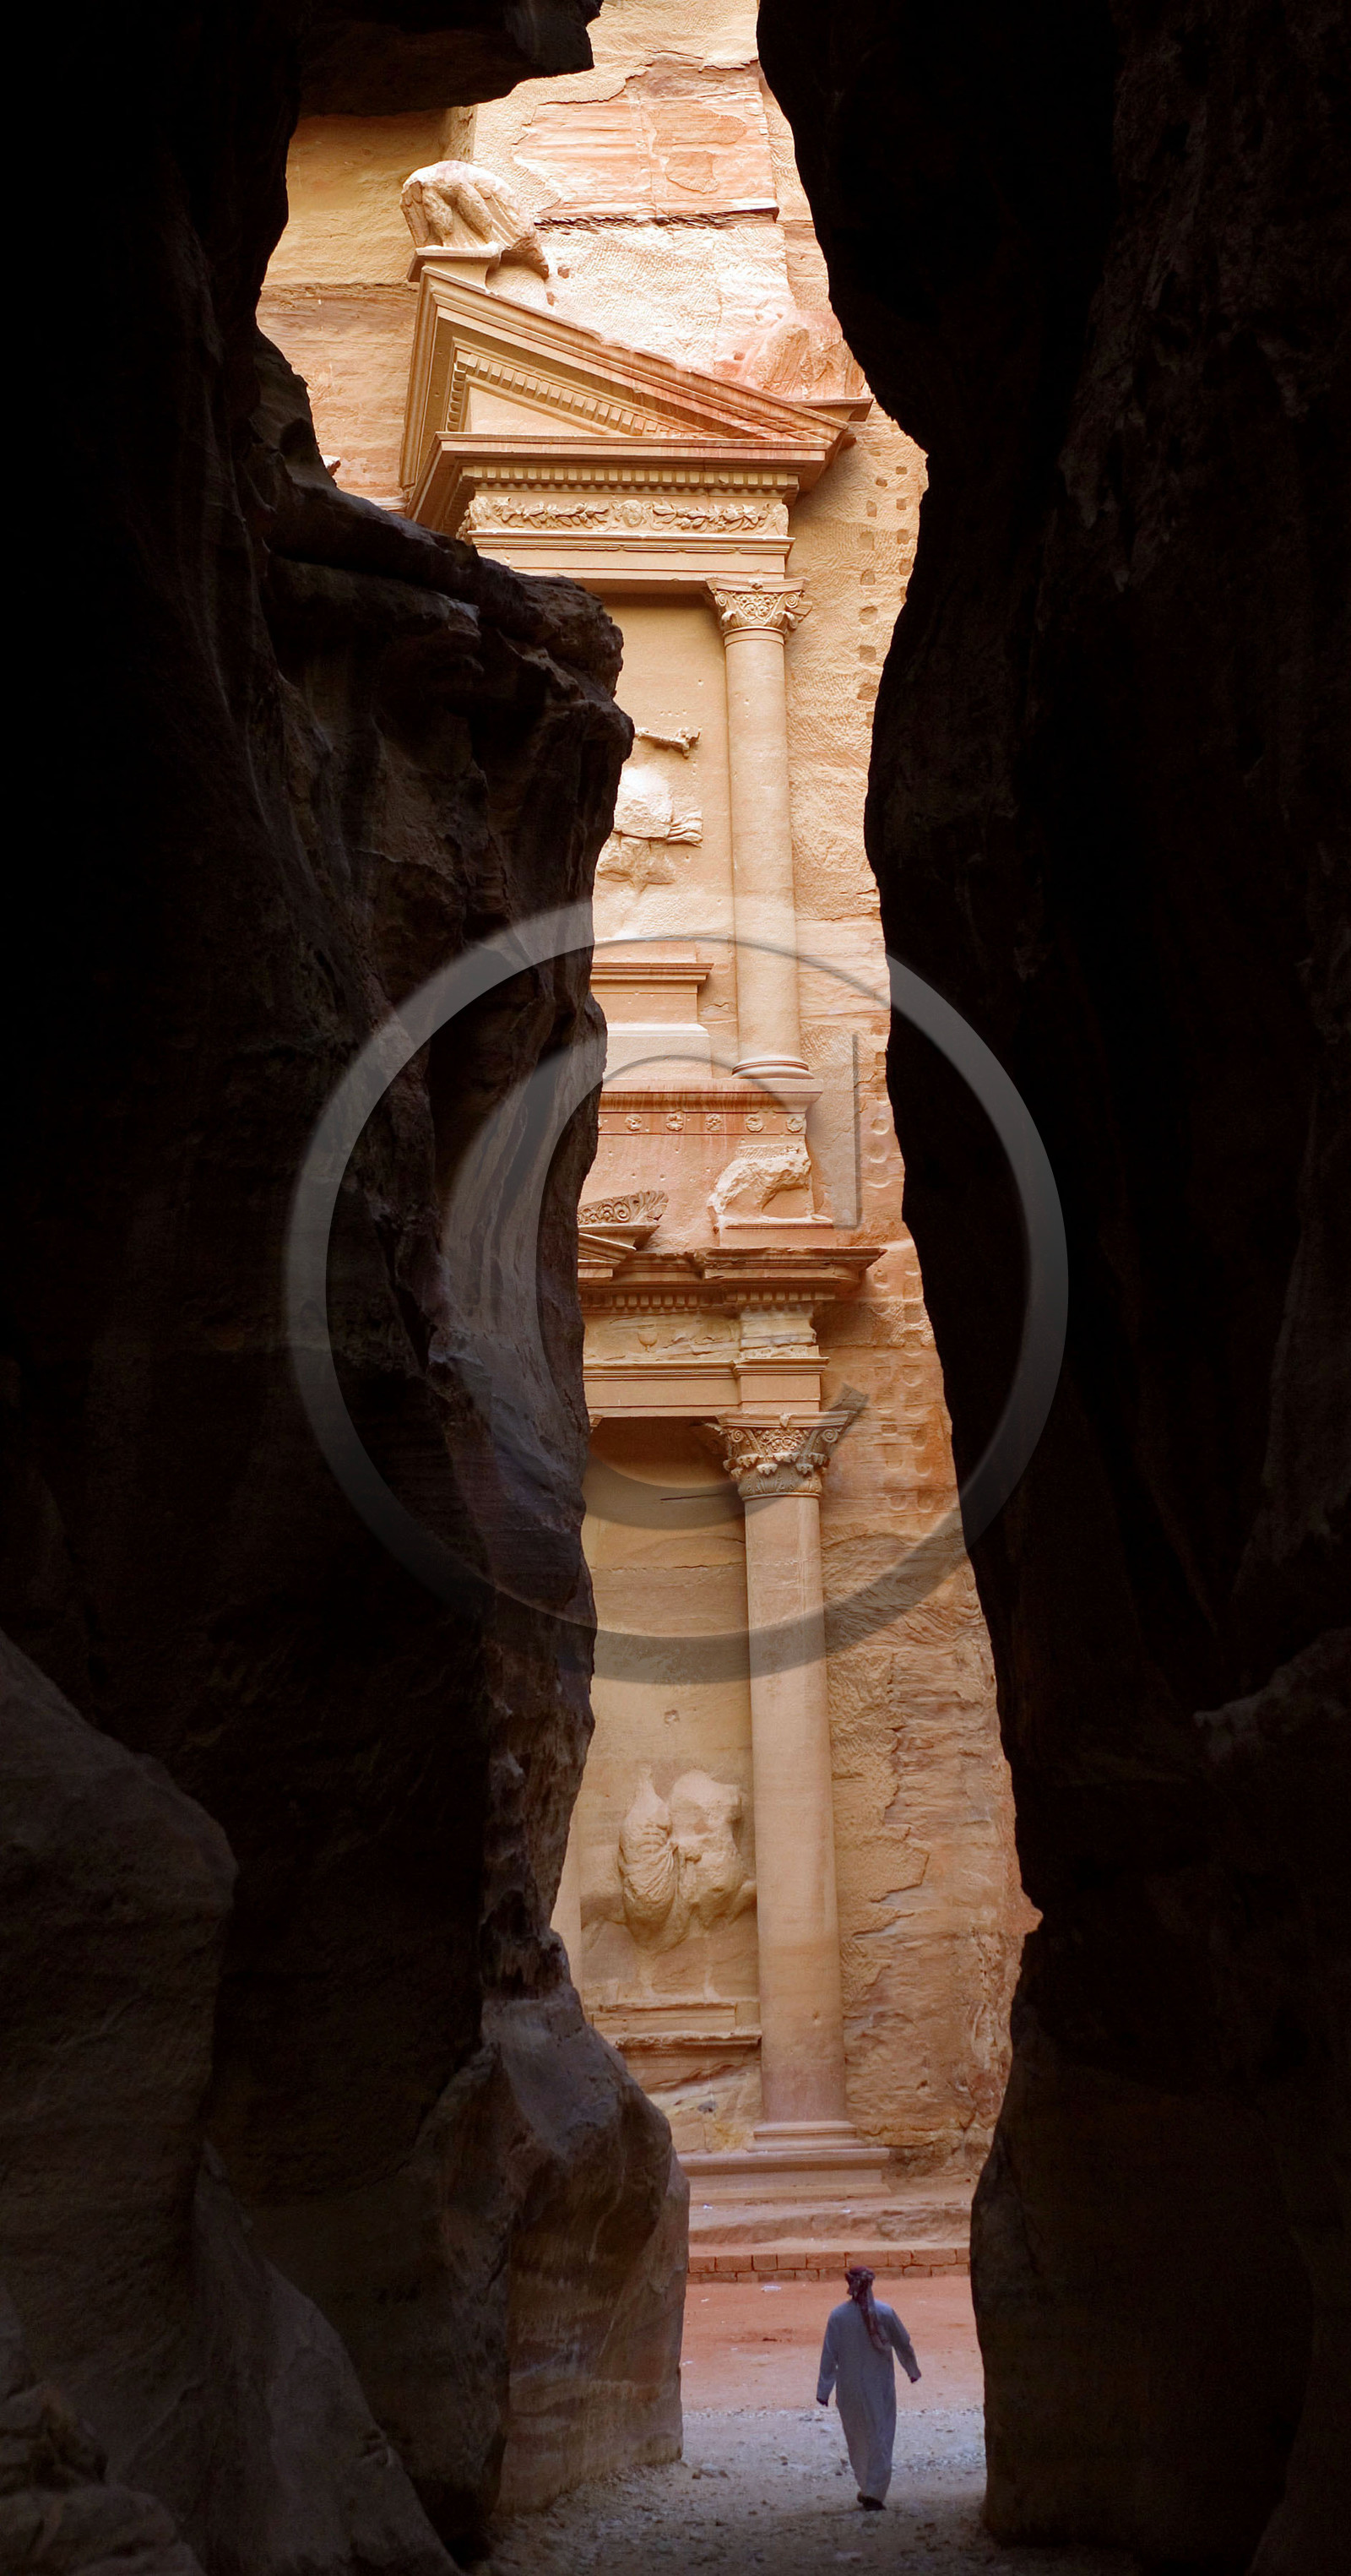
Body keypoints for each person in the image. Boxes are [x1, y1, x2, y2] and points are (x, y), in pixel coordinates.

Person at [816, 2263, 921, 2508]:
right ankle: (873, 2490)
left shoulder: (838, 2316)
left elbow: (829, 2355)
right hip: (879, 2387)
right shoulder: (884, 2313)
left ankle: (868, 2487)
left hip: (849, 2389)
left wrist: (824, 2390)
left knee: (858, 2437)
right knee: (881, 2436)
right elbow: (903, 2343)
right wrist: (912, 2370)